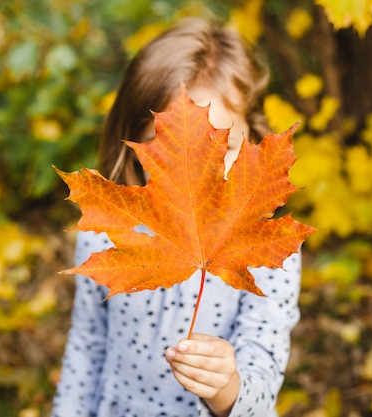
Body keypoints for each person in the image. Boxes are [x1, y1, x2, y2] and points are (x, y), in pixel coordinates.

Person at [52, 17, 302, 417]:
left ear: (254, 141)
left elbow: (263, 369)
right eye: (170, 149)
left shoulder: (270, 249)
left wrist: (226, 389)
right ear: (135, 145)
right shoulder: (108, 232)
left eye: (223, 146)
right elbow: (88, 342)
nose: (201, 171)